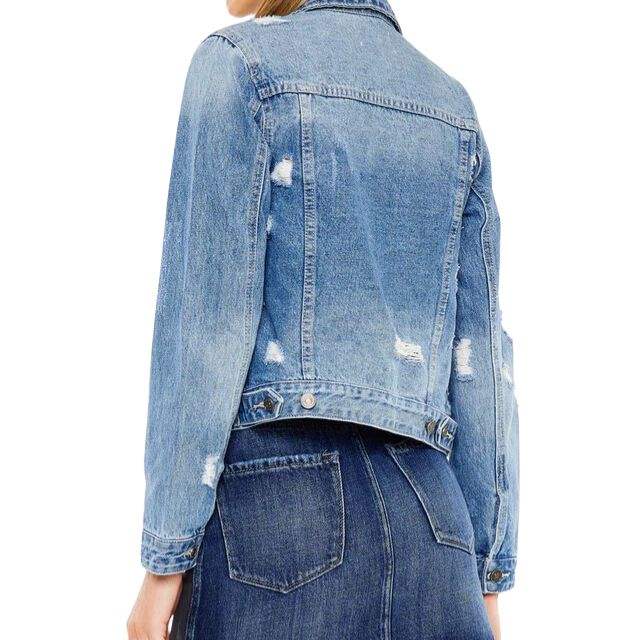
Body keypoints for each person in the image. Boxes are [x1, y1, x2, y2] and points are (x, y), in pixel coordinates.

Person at [127, 1, 519, 638]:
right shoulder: (452, 106)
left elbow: (204, 325)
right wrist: (485, 577)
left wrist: (163, 563)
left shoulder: (240, 65)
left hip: (277, 524)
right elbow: (482, 361)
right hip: (434, 523)